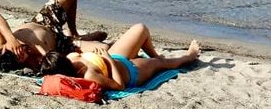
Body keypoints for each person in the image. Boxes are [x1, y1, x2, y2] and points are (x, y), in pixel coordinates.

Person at [0, 0, 107, 74]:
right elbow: (50, 61)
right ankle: (81, 38)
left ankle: (74, 33)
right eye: (21, 55)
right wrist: (40, 53)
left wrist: (11, 39)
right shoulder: (32, 63)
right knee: (104, 46)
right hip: (61, 44)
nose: (22, 49)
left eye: (16, 49)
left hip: (43, 21)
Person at [52, 23, 200, 89]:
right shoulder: (89, 75)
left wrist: (100, 54)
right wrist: (108, 60)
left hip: (116, 57)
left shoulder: (72, 58)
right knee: (158, 64)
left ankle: (157, 55)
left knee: (140, 28)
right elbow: (119, 85)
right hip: (130, 72)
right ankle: (189, 57)